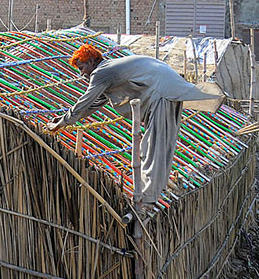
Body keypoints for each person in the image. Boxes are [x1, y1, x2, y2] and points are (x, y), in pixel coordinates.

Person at [45, 44, 224, 206]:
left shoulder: (101, 73)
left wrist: (61, 123)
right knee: (157, 145)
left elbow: (85, 101)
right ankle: (152, 192)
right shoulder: (109, 70)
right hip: (166, 90)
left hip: (161, 94)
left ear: (91, 61)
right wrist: (63, 119)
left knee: (153, 146)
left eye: (82, 67)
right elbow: (94, 104)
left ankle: (147, 198)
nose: (82, 73)